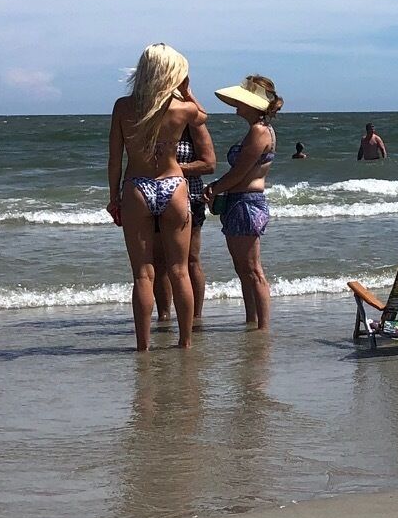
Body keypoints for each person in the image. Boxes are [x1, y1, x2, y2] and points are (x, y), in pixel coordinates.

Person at [107, 44, 206, 351]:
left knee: (143, 275)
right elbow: (203, 117)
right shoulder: (182, 108)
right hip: (173, 184)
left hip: (137, 186)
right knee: (179, 270)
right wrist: (187, 90)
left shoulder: (124, 107)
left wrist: (114, 197)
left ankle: (143, 345)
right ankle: (186, 342)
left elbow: (114, 159)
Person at [205, 76, 282, 331]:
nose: (237, 104)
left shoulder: (259, 132)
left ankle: (263, 327)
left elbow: (240, 172)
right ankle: (253, 322)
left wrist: (214, 188)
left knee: (252, 269)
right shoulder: (259, 130)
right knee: (243, 269)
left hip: (247, 202)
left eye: (241, 100)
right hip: (241, 201)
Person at [154, 113, 216, 332]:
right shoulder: (154, 120)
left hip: (190, 196)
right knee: (159, 260)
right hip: (157, 196)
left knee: (190, 259)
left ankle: (195, 317)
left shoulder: (192, 123)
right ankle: (163, 316)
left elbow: (209, 164)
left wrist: (175, 168)